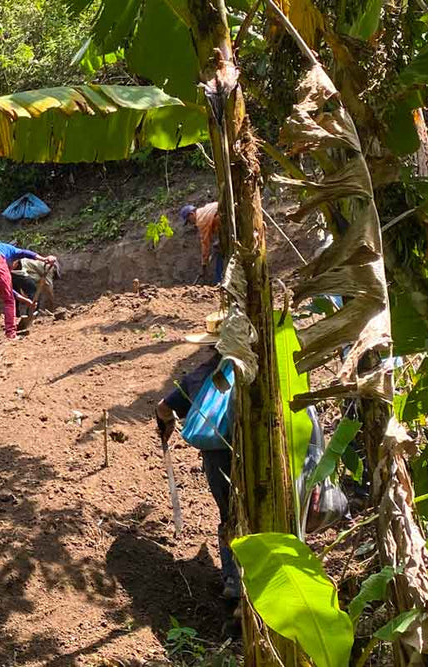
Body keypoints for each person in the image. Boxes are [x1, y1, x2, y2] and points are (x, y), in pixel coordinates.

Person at [153, 313, 340, 600]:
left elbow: (164, 408)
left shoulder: (203, 375)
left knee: (231, 515)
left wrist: (167, 423)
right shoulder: (271, 370)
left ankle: (234, 583)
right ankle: (282, 580)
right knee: (277, 513)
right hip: (271, 454)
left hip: (219, 457)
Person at [0, 242, 56, 340]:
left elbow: (7, 289)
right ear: (15, 261)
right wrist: (44, 259)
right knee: (9, 300)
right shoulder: (12, 250)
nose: (11, 269)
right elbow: (25, 253)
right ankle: (11, 334)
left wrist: (25, 300)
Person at [179, 202, 224, 285]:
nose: (191, 223)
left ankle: (219, 281)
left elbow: (205, 243)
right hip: (228, 224)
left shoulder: (201, 220)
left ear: (192, 214)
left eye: (189, 221)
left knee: (221, 255)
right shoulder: (206, 209)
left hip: (231, 226)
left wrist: (204, 264)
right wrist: (219, 240)